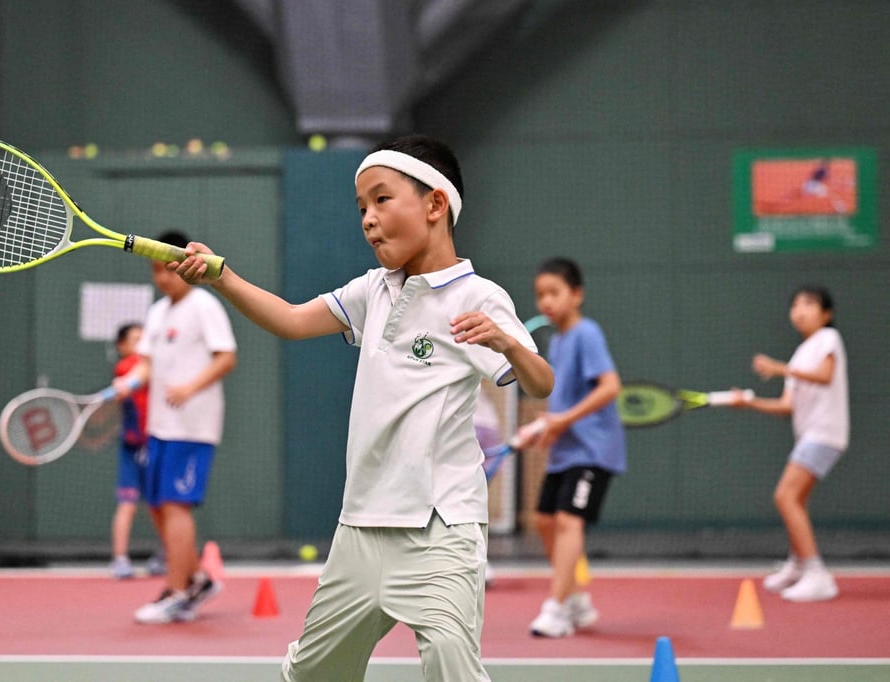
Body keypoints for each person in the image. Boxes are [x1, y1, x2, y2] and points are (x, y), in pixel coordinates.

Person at [173, 134, 554, 682]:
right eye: (361, 208)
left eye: (381, 199)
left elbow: (540, 383)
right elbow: (294, 319)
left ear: (435, 204)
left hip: (438, 525)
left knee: (452, 665)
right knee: (312, 673)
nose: (368, 219)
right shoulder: (371, 290)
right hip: (361, 526)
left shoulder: (479, 297)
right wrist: (222, 277)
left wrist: (509, 343)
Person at [114, 230, 238, 623]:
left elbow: (226, 357)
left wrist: (189, 387)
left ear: (183, 265)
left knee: (174, 505)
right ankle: (197, 579)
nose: (161, 278)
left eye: (166, 270)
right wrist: (131, 381)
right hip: (159, 427)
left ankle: (177, 590)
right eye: (154, 271)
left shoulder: (204, 306)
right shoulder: (156, 312)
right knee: (158, 507)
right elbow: (146, 363)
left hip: (193, 427)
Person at [523, 257, 626, 638]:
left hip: (593, 450)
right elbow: (561, 403)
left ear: (577, 294)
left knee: (568, 520)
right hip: (564, 449)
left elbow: (610, 386)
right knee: (545, 521)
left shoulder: (587, 334)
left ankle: (557, 607)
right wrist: (545, 428)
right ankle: (577, 599)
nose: (546, 301)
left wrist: (563, 421)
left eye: (554, 293)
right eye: (540, 295)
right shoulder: (559, 340)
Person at [731, 284, 848, 602]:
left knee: (785, 496)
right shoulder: (801, 354)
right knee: (796, 499)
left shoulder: (828, 339)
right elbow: (787, 406)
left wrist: (778, 367)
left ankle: (816, 573)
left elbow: (824, 377)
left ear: (826, 314)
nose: (800, 310)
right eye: (795, 304)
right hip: (811, 434)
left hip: (824, 433)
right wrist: (749, 402)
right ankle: (798, 565)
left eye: (809, 304)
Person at [109, 322, 150, 579]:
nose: (142, 345)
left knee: (164, 506)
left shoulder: (153, 365)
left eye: (144, 339)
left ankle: (167, 557)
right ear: (122, 347)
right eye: (136, 340)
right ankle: (120, 559)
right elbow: (130, 377)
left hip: (156, 443)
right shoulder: (126, 366)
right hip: (132, 448)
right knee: (128, 505)